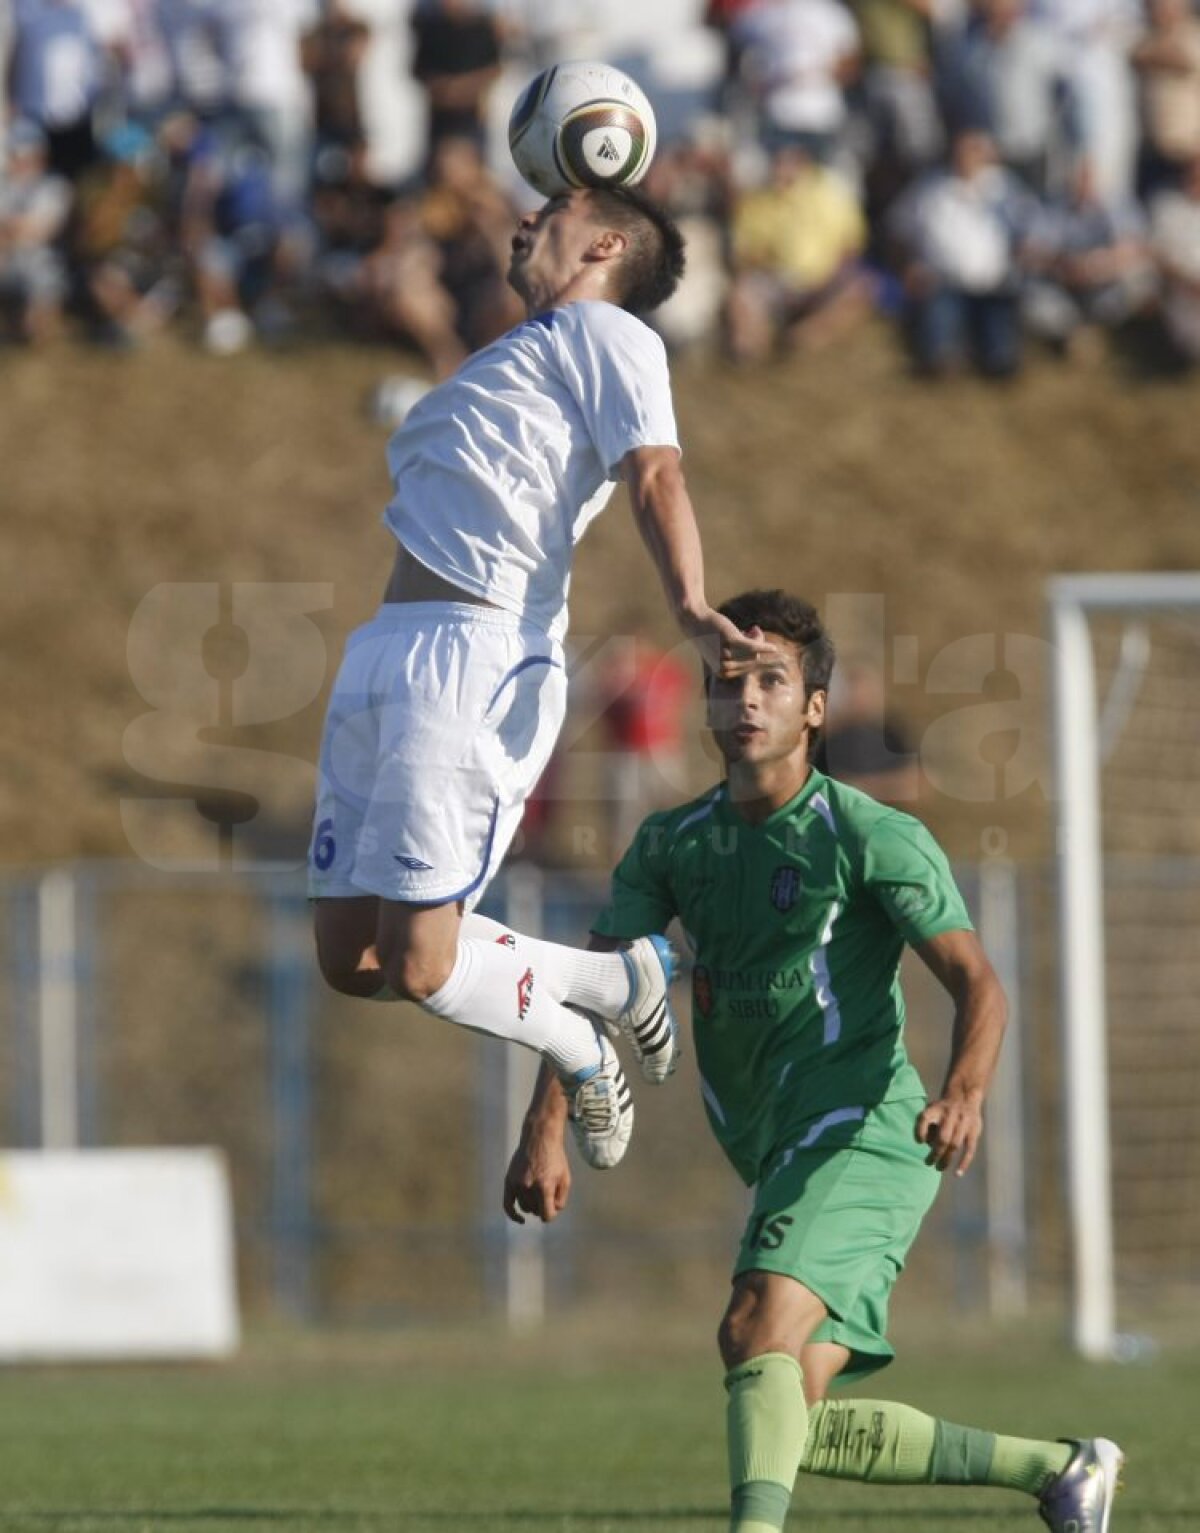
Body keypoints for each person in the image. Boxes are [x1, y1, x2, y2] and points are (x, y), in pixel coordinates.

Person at [503, 588, 1123, 1533]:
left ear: (815, 708)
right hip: (770, 1136)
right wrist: (545, 1123)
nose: (746, 699)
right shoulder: (674, 842)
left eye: (772, 680)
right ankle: (1061, 1469)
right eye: (728, 680)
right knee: (790, 1401)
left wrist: (964, 1092)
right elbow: (587, 987)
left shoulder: (869, 834)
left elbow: (980, 984)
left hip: (866, 1127)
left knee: (750, 1327)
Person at [309, 186, 775, 1174]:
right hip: (387, 646)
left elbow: (656, 472)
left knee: (424, 961)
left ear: (604, 243)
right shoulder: (517, 353)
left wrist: (691, 605)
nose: (528, 213)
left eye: (553, 206)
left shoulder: (609, 331)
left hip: (475, 654)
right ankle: (618, 983)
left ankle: (578, 1040)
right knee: (349, 957)